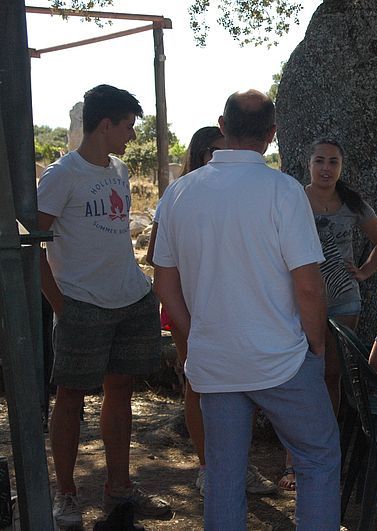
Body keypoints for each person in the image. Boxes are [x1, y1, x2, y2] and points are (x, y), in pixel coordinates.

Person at [152, 89, 340, 530]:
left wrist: (198, 333)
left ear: (223, 126)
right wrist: (316, 346)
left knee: (223, 476)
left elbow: (165, 284)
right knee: (317, 458)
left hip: (216, 360)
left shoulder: (179, 193)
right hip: (281, 357)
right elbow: (309, 286)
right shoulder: (284, 191)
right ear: (272, 134)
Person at [37, 84, 171, 527]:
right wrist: (61, 304)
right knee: (70, 397)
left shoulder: (119, 169)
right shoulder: (61, 174)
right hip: (82, 303)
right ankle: (66, 494)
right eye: (128, 126)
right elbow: (32, 244)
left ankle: (119, 488)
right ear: (106, 124)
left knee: (121, 390)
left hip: (130, 299)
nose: (132, 134)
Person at [146, 126, 276, 497]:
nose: (222, 156)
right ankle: (207, 467)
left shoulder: (236, 191)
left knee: (241, 381)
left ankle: (238, 465)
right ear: (201, 154)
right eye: (214, 151)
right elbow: (155, 254)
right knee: (198, 384)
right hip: (187, 304)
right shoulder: (179, 193)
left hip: (231, 302)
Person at [279, 138, 377, 491]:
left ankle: (325, 456)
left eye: (333, 162)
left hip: (344, 301)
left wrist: (364, 271)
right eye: (320, 161)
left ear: (341, 167)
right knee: (299, 377)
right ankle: (292, 462)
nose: (326, 168)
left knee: (332, 376)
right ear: (308, 164)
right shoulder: (294, 198)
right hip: (301, 301)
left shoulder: (353, 203)